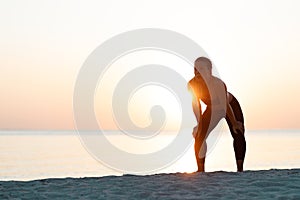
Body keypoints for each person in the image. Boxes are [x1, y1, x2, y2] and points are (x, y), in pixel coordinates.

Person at [188, 57, 244, 172]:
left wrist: (234, 123)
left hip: (230, 106)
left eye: (201, 68)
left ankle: (240, 170)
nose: (198, 72)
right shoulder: (192, 84)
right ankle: (200, 171)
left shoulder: (217, 83)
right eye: (196, 69)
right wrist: (199, 124)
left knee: (237, 132)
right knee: (200, 136)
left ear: (209, 70)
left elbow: (225, 106)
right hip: (212, 109)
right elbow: (196, 104)